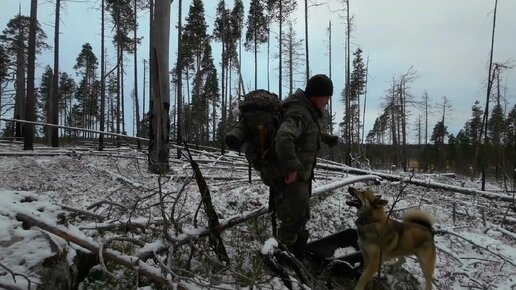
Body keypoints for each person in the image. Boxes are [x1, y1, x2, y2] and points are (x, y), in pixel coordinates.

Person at [262, 74, 336, 259]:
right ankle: (282, 257)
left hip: (300, 175)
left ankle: (294, 253)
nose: (327, 102)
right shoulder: (300, 112)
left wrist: (324, 137)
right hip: (292, 175)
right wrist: (292, 167)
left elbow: (304, 136)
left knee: (300, 214)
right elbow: (285, 137)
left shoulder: (306, 111)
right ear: (318, 96)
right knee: (294, 217)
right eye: (326, 97)